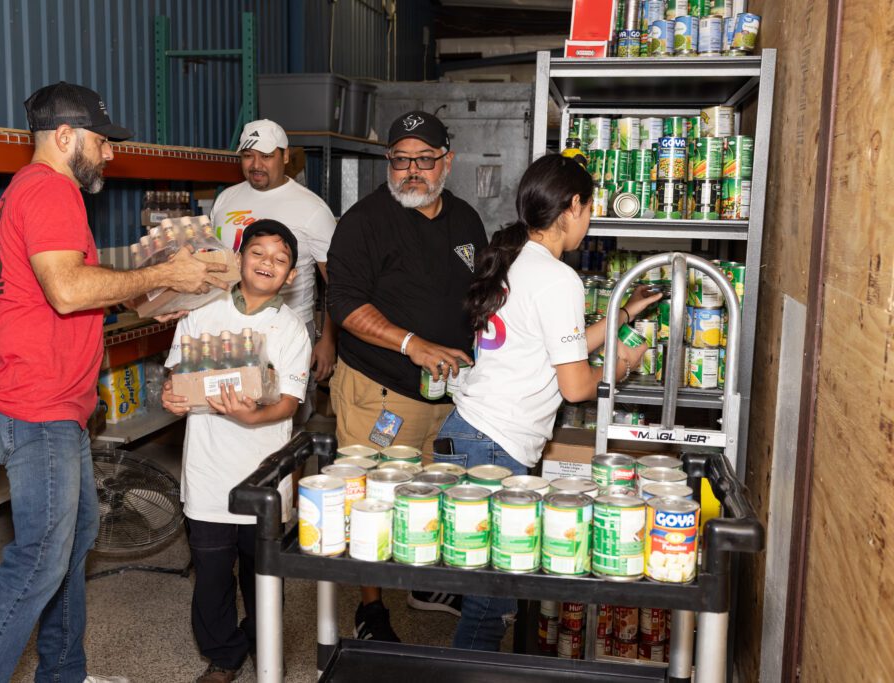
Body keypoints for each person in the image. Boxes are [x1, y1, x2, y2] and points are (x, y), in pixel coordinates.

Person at [0, 81, 226, 683]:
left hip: (56, 404)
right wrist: (158, 271)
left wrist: (157, 296)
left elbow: (75, 294)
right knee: (38, 560)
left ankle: (64, 673)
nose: (109, 153)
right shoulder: (50, 190)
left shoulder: (37, 191)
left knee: (74, 541)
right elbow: (69, 288)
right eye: (102, 141)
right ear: (66, 136)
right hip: (37, 403)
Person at [436, 154, 661, 651]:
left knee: (486, 585)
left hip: (467, 431)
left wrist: (622, 310)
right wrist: (620, 366)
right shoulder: (560, 279)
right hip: (495, 443)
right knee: (493, 600)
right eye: (589, 208)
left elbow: (559, 342)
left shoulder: (515, 258)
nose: (590, 219)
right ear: (573, 206)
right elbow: (576, 386)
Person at [327, 110, 488, 641]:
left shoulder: (466, 220)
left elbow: (478, 297)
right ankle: (371, 609)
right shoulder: (364, 222)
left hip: (450, 398)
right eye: (400, 160)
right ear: (389, 163)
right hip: (381, 393)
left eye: (424, 160)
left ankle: (424, 582)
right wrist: (411, 344)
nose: (411, 171)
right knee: (373, 499)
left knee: (434, 496)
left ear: (447, 161)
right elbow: (345, 303)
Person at [161, 220, 312, 683]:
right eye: (258, 253)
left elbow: (288, 401)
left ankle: (262, 642)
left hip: (263, 474)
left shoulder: (289, 330)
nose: (267, 263)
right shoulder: (201, 313)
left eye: (280, 259)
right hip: (207, 471)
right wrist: (170, 395)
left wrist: (250, 417)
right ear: (239, 258)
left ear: (290, 276)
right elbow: (175, 377)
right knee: (209, 572)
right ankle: (223, 656)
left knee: (261, 573)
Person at [211, 119, 337, 424]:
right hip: (230, 329)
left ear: (285, 156)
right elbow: (216, 263)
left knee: (285, 425)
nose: (256, 165)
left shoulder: (312, 209)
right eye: (248, 156)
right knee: (227, 415)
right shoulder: (226, 199)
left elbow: (337, 283)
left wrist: (328, 340)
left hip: (288, 332)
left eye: (266, 156)